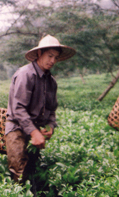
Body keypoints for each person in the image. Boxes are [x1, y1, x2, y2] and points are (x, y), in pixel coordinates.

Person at [5, 35, 76, 182]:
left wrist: (50, 126)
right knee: (19, 170)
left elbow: (51, 109)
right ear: (39, 54)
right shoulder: (26, 74)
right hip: (17, 128)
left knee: (32, 169)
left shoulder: (51, 82)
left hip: (35, 131)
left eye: (56, 58)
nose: (52, 61)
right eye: (50, 56)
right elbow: (18, 108)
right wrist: (34, 132)